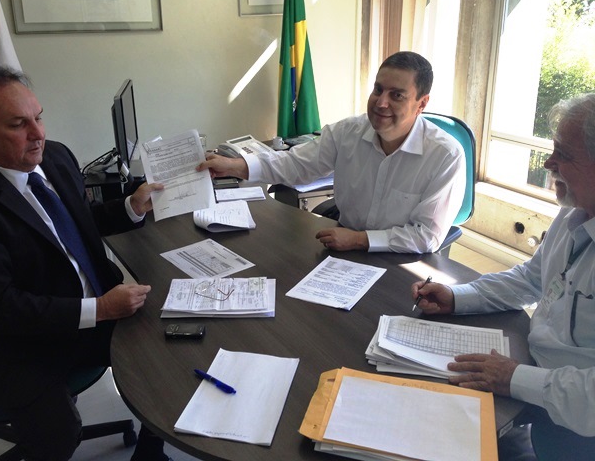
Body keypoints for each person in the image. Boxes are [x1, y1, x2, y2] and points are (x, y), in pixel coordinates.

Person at [0, 68, 169, 461]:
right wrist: (100, 309)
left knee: (168, 347)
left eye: (38, 117)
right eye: (18, 125)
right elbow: (0, 307)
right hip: (18, 342)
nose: (38, 133)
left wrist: (130, 207)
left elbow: (74, 224)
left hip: (90, 311)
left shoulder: (55, 156)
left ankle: (151, 452)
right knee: (58, 435)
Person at [411, 93, 595, 460]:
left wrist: (513, 377)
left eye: (563, 153)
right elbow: (531, 278)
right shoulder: (574, 212)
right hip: (536, 387)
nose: (549, 162)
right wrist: (457, 296)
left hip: (576, 428)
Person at [197, 51, 466, 253]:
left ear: (422, 104)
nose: (381, 103)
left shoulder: (445, 156)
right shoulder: (347, 132)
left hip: (403, 260)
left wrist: (359, 240)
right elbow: (295, 165)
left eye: (397, 95)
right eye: (378, 89)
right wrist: (233, 166)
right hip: (346, 249)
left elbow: (426, 236)